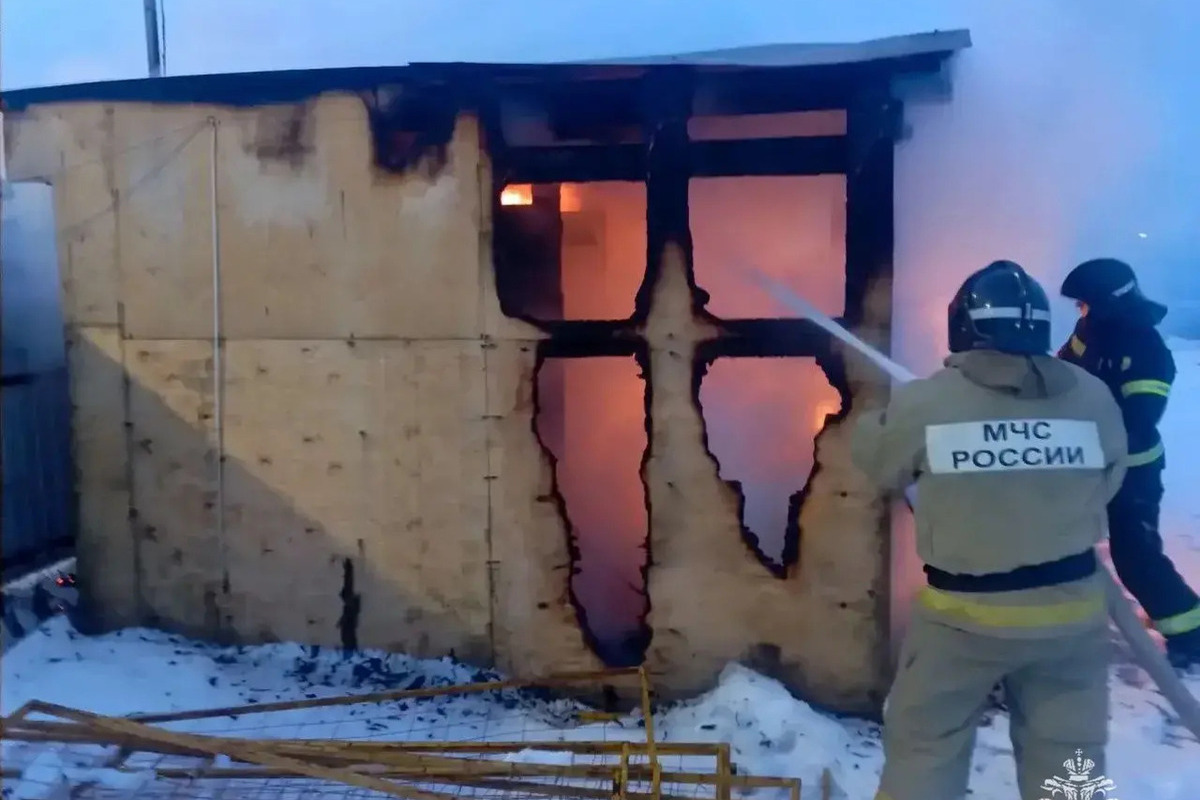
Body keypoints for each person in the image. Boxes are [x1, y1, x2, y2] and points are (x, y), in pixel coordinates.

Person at [851, 260, 1129, 800]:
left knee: (927, 745)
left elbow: (883, 465)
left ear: (964, 325)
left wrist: (876, 422)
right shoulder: (1092, 395)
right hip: (1071, 619)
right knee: (1070, 758)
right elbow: (1110, 477)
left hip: (963, 621)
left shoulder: (928, 401)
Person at [1057, 257, 1200, 670]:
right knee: (1059, 543)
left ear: (1108, 303)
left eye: (1085, 302)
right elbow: (1063, 369)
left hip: (1133, 471)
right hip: (1087, 461)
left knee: (1136, 557)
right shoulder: (1090, 329)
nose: (1080, 310)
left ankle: (1191, 633)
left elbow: (1138, 420)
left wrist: (1081, 431)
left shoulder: (1146, 349)